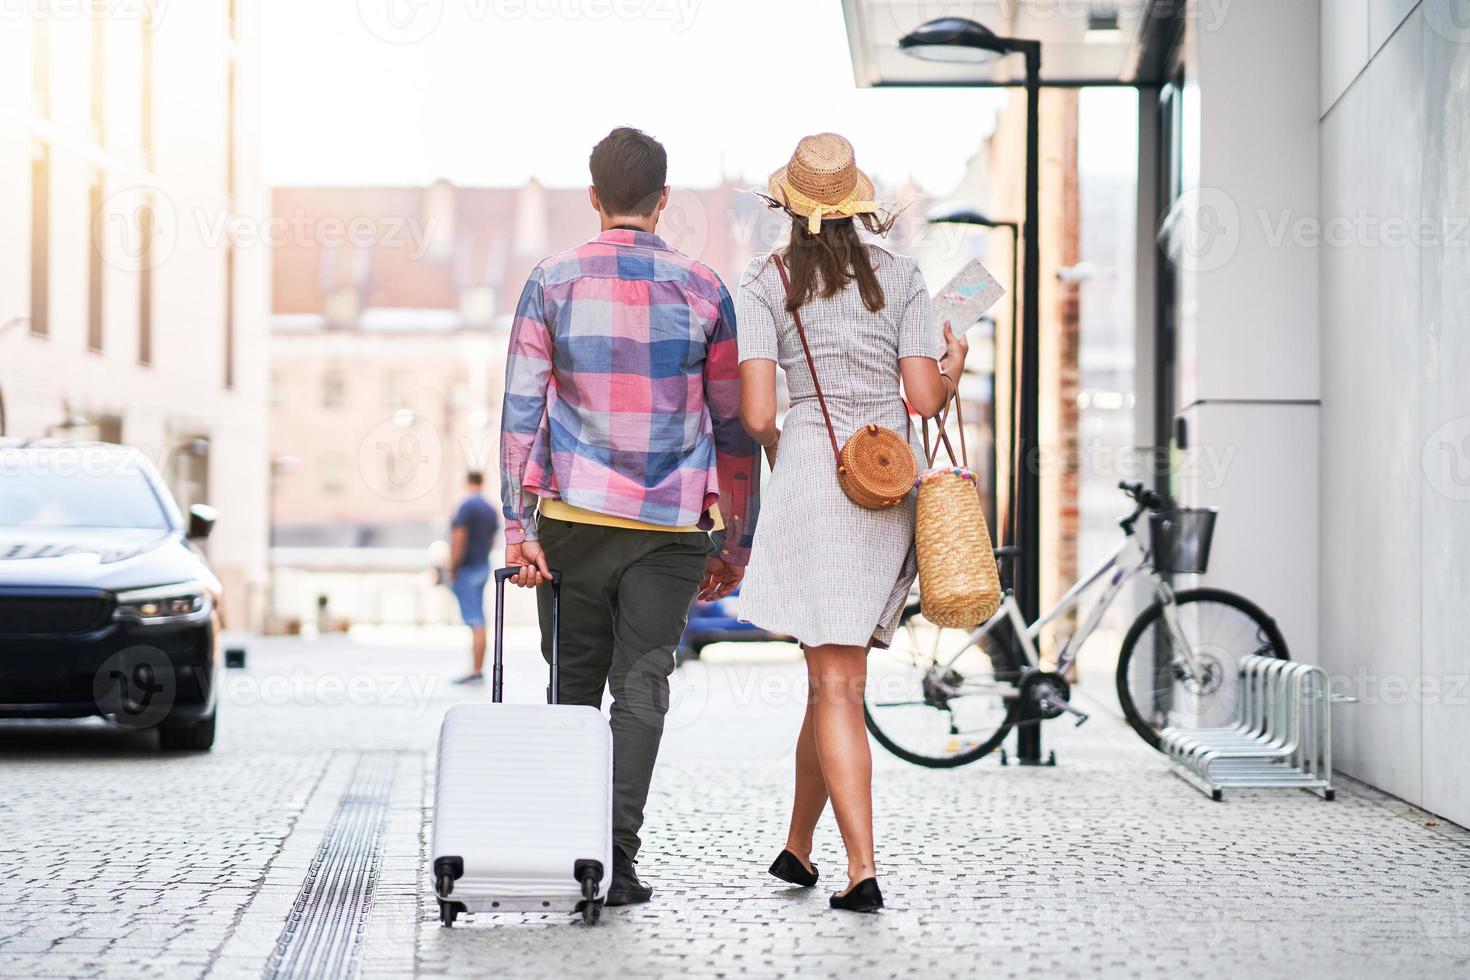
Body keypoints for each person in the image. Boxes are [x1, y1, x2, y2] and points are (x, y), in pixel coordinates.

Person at [499, 126, 760, 906]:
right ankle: (617, 858)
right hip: (672, 528)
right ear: (663, 200)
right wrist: (736, 541)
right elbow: (733, 427)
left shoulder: (552, 280)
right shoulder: (706, 288)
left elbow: (519, 413)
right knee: (643, 684)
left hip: (572, 521)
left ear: (593, 196)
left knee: (573, 684)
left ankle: (572, 847)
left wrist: (520, 530)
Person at [735, 133, 968, 912]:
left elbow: (759, 413)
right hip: (883, 483)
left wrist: (786, 449)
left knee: (833, 679)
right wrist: (954, 364)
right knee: (831, 678)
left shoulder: (763, 283)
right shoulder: (903, 278)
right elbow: (925, 400)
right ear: (858, 202)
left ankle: (861, 870)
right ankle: (798, 850)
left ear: (788, 206)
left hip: (809, 475)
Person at [448, 470, 500, 685]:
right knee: (479, 618)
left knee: (475, 620)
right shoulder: (490, 509)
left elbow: (459, 537)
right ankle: (477, 669)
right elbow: (491, 540)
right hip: (482, 565)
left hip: (468, 567)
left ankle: (476, 670)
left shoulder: (467, 506)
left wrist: (452, 566)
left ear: (467, 481)